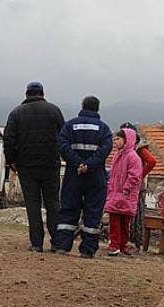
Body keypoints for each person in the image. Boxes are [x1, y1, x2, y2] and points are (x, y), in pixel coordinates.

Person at [3, 81, 65, 252]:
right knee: (53, 202)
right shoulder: (54, 111)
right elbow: (63, 136)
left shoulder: (16, 113)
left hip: (26, 165)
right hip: (50, 164)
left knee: (33, 203)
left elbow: (8, 139)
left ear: (26, 94)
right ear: (43, 94)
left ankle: (36, 243)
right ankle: (57, 242)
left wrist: (11, 161)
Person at [54, 96, 113, 258]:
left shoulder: (70, 126)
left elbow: (62, 146)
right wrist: (89, 165)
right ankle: (87, 250)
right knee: (93, 212)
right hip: (96, 176)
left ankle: (62, 246)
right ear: (97, 108)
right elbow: (105, 151)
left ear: (82, 106)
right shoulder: (104, 129)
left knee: (68, 209)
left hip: (74, 174)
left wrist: (78, 163)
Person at [104, 128, 143, 256]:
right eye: (114, 139)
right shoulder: (117, 156)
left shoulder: (133, 157)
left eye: (118, 139)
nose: (115, 142)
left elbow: (135, 175)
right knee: (114, 221)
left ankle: (122, 245)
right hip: (115, 193)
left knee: (125, 222)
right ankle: (115, 244)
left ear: (127, 140)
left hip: (126, 194)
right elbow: (113, 174)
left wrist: (126, 188)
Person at [120, 122, 157, 249]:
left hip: (135, 185)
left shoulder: (140, 148)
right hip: (124, 184)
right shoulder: (124, 149)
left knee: (135, 214)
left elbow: (152, 161)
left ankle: (133, 240)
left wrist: (140, 175)